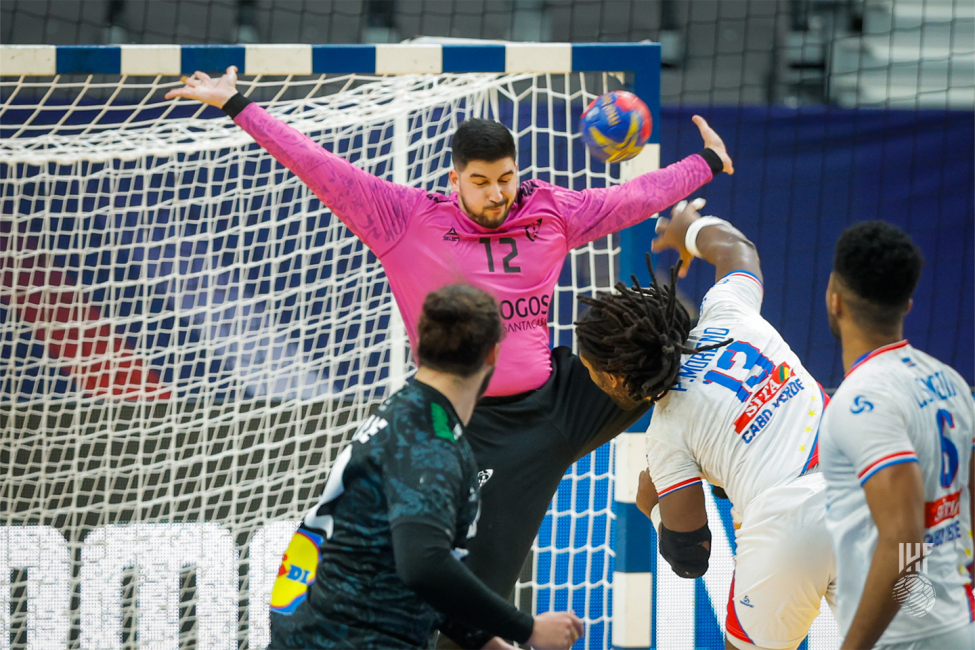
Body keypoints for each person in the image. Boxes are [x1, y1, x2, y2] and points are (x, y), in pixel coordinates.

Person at [166, 67, 733, 648]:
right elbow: (317, 166)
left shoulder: (550, 210)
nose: (496, 194)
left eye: (506, 179)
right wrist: (238, 103)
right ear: (454, 178)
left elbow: (629, 199)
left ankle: (694, 507)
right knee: (467, 616)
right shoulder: (404, 219)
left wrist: (705, 165)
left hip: (559, 396)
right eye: (481, 181)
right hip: (482, 433)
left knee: (663, 343)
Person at [575, 199, 836, 650]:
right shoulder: (728, 312)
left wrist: (652, 503)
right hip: (863, 481)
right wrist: (688, 228)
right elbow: (739, 250)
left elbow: (690, 555)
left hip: (788, 525)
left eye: (592, 372)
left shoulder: (665, 434)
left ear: (616, 378)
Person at [269, 283, 583, 650]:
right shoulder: (431, 445)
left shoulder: (407, 411)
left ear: (420, 347)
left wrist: (486, 641)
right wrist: (526, 628)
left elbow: (411, 570)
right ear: (493, 355)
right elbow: (423, 564)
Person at [820, 221, 975, 650]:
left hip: (905, 639)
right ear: (906, 303)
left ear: (835, 301)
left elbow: (905, 539)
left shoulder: (860, 402)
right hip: (954, 626)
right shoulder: (950, 381)